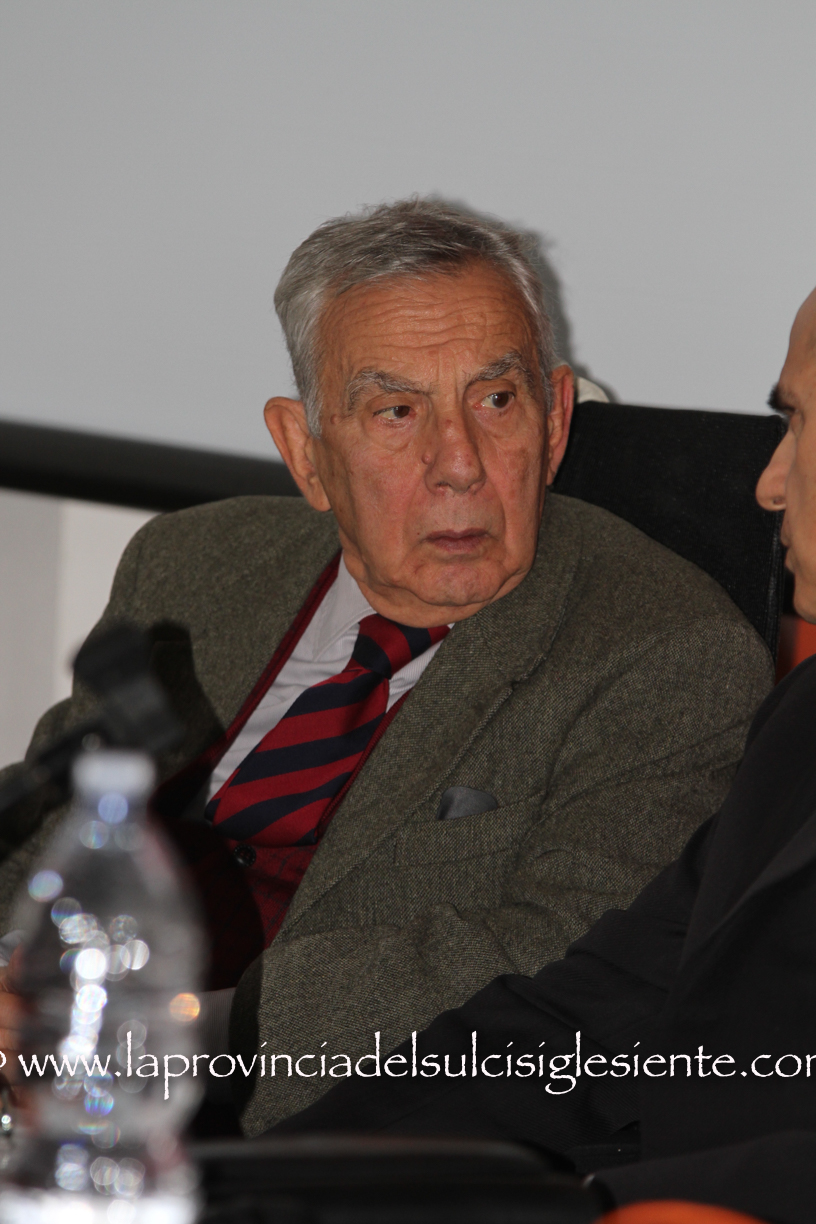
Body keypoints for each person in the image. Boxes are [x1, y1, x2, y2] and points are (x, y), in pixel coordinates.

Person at [0, 200, 770, 1135]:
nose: (459, 464)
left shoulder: (667, 652)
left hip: (320, 1137)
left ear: (557, 419)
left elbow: (556, 965)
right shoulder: (191, 567)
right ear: (305, 452)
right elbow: (46, 829)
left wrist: (172, 1031)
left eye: (496, 400)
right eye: (397, 412)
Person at [273, 287, 816, 1224]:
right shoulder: (805, 720)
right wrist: (278, 1177)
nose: (768, 486)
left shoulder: (673, 655)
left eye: (799, 425)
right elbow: (597, 1010)